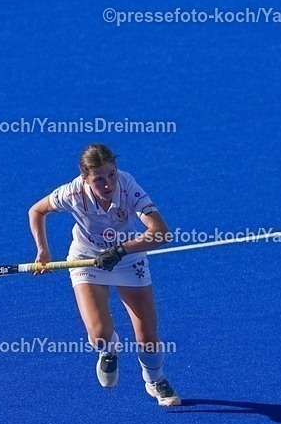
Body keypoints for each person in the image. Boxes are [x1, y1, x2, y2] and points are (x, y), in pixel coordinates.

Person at [27, 143, 180, 406]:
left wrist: (121, 250)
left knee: (147, 335)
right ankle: (108, 351)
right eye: (99, 179)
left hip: (128, 258)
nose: (109, 183)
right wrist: (43, 251)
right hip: (86, 259)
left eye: (111, 174)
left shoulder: (128, 186)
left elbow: (161, 233)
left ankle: (155, 380)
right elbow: (37, 211)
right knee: (99, 334)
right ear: (85, 179)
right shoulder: (72, 192)